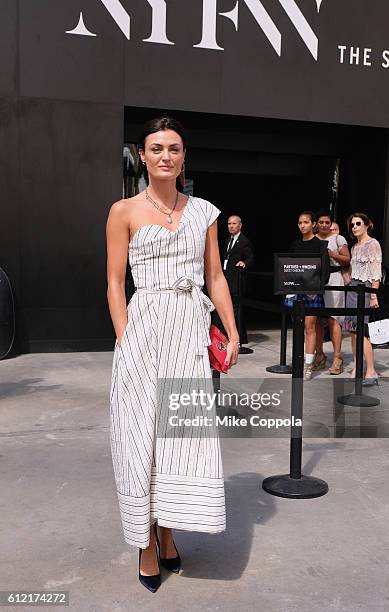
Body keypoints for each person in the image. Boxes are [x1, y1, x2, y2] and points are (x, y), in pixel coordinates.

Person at [106, 117, 240, 593]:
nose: (166, 155)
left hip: (187, 325)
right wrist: (125, 337)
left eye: (175, 148)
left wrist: (230, 327)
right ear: (142, 155)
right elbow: (116, 282)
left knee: (179, 431)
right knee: (139, 431)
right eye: (157, 148)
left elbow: (215, 276)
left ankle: (168, 531)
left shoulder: (204, 211)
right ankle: (144, 540)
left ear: (184, 157)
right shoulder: (123, 211)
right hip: (143, 327)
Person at [285, 211, 330, 380]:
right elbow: (287, 266)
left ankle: (308, 365)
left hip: (312, 292)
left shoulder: (320, 245)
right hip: (295, 291)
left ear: (313, 224)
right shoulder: (295, 244)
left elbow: (324, 273)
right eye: (299, 222)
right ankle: (299, 360)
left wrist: (312, 285)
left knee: (310, 326)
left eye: (305, 222)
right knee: (298, 326)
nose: (302, 225)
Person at [343, 213, 382, 385]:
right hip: (352, 288)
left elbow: (376, 274)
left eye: (358, 224)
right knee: (352, 330)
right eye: (352, 225)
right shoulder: (354, 247)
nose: (355, 227)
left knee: (362, 331)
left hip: (365, 290)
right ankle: (357, 367)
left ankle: (371, 371)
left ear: (367, 225)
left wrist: (374, 295)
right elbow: (353, 271)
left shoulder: (373, 244)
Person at [314, 211, 351, 374]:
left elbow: (347, 259)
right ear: (316, 223)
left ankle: (337, 357)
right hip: (316, 279)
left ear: (330, 223)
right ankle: (319, 355)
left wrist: (332, 254)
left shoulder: (338, 238)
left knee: (333, 318)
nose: (323, 225)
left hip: (334, 278)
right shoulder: (313, 239)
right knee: (315, 319)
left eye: (326, 222)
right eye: (321, 222)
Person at [219, 215, 254, 354]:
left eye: (234, 224)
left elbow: (250, 257)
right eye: (229, 224)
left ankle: (236, 337)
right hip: (226, 278)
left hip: (236, 281)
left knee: (235, 308)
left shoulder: (244, 241)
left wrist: (244, 263)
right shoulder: (227, 241)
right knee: (228, 306)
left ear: (240, 225)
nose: (231, 226)